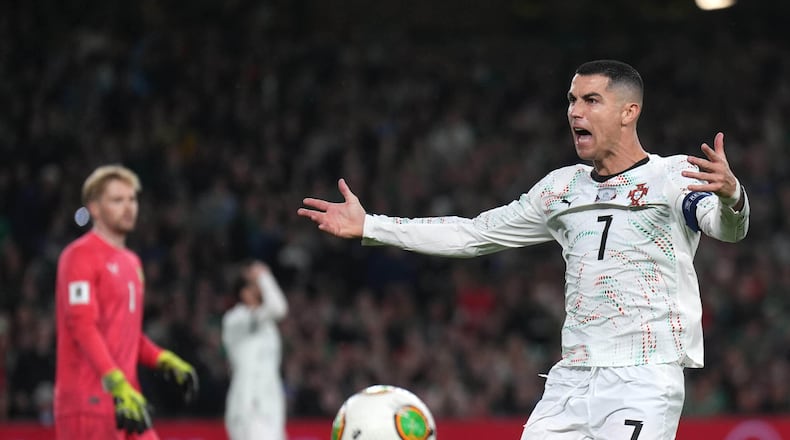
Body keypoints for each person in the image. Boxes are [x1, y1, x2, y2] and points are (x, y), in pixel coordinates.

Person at [297, 60, 750, 440]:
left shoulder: (673, 177)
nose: (575, 111)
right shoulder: (559, 189)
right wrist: (372, 225)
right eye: (572, 100)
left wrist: (732, 197)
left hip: (643, 378)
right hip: (571, 379)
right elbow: (474, 235)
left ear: (629, 111)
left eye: (591, 101)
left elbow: (725, 228)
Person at [55, 165, 199, 440]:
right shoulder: (78, 256)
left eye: (132, 199)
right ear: (94, 208)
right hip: (88, 401)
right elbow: (82, 326)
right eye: (117, 200)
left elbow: (125, 333)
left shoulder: (131, 262)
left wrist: (162, 359)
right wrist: (115, 380)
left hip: (128, 398)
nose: (129, 207)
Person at [222, 260, 289, 440]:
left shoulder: (268, 325)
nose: (262, 288)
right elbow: (279, 308)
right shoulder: (235, 320)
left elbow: (276, 309)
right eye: (256, 285)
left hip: (270, 404)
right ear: (244, 293)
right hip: (249, 406)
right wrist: (264, 276)